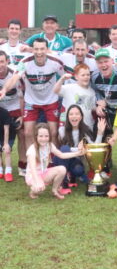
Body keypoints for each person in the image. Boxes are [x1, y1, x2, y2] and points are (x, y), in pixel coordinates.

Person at [0, 38, 64, 146]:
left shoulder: (55, 62)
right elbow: (14, 78)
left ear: (47, 49)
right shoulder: (25, 62)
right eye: (36, 49)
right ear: (32, 50)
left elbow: (67, 76)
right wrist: (4, 90)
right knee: (28, 133)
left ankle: (53, 160)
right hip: (31, 101)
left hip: (51, 100)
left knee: (53, 132)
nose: (39, 52)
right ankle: (32, 160)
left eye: (42, 49)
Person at [53, 104, 105, 194]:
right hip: (61, 159)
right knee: (65, 148)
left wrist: (100, 133)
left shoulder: (85, 130)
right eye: (71, 114)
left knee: (79, 170)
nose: (74, 116)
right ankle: (64, 182)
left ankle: (72, 175)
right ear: (68, 117)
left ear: (81, 116)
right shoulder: (62, 130)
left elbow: (93, 147)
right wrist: (79, 150)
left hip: (74, 160)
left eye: (77, 114)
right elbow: (63, 150)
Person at [25, 123, 85, 200]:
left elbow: (61, 155)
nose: (44, 139)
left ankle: (54, 190)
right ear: (36, 136)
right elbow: (33, 169)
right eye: (41, 136)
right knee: (40, 188)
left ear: (49, 136)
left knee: (62, 169)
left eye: (46, 136)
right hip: (33, 175)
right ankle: (33, 192)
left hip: (44, 172)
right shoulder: (32, 150)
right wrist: (37, 181)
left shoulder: (49, 145)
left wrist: (78, 153)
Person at [53, 63, 97, 138]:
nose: (86, 77)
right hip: (71, 127)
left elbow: (91, 108)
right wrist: (62, 79)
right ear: (76, 76)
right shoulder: (69, 88)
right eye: (83, 75)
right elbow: (55, 90)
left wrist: (99, 106)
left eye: (88, 75)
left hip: (87, 127)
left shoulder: (92, 92)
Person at [0, 51, 23, 179]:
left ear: (7, 61)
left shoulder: (14, 74)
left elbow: (22, 94)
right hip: (1, 110)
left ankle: (22, 165)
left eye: (2, 62)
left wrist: (22, 114)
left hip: (14, 109)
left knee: (22, 134)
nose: (0, 65)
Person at [0, 105, 16, 182]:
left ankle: (8, 172)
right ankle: (0, 171)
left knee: (7, 151)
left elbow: (6, 129)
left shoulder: (4, 112)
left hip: (9, 135)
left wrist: (6, 144)